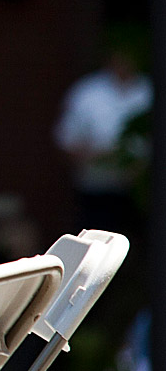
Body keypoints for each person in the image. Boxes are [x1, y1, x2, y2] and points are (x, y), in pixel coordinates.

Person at [53, 45, 149, 238]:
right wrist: (97, 155)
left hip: (142, 191)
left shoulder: (148, 90)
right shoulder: (87, 92)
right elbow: (66, 141)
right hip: (96, 191)